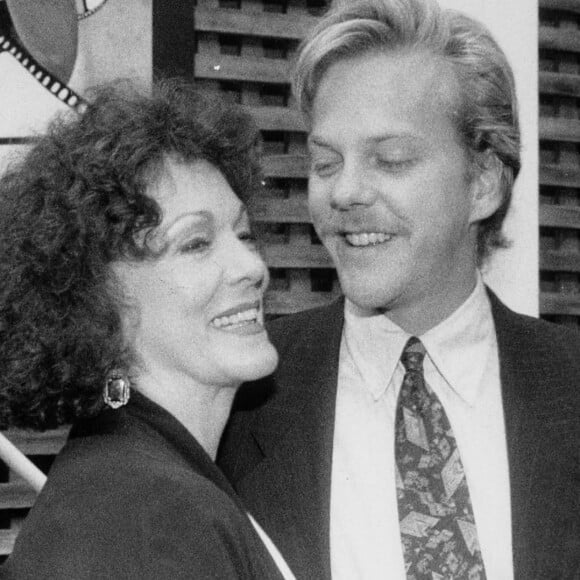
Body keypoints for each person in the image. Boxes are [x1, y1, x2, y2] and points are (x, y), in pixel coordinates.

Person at [218, 0, 580, 578]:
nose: (345, 193)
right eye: (326, 162)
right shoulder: (235, 403)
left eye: (390, 160)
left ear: (483, 182)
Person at [0, 81, 295, 579]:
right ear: (95, 296)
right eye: (196, 243)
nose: (251, 266)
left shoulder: (135, 479)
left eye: (243, 233)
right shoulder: (154, 510)